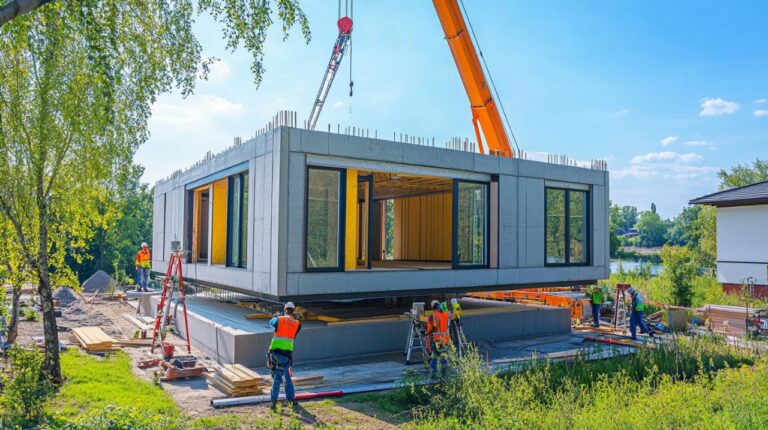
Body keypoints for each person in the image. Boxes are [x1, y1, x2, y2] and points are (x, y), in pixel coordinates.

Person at [268, 302, 302, 410]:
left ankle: (273, 402)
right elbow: (293, 331)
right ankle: (291, 399)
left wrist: (275, 316)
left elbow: (271, 323)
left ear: (285, 309)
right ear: (294, 310)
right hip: (287, 356)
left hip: (276, 354)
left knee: (277, 377)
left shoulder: (280, 319)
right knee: (287, 377)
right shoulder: (297, 324)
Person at [426, 300, 452, 377]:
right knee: (443, 358)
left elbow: (429, 331)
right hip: (446, 340)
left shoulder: (432, 316)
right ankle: (445, 376)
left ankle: (434, 375)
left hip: (437, 341)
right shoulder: (446, 314)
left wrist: (430, 342)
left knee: (434, 358)